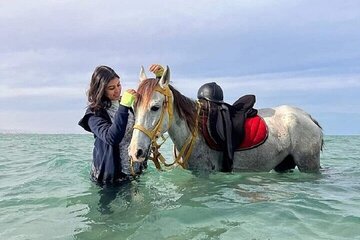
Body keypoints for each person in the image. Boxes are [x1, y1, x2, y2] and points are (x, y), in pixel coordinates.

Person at [79, 64, 164, 185]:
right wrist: (124, 106)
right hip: (110, 181)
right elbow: (112, 138)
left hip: (135, 172)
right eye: (111, 88)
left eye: (118, 84)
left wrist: (159, 78)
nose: (118, 90)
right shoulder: (94, 115)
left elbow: (152, 102)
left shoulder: (126, 103)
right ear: (101, 90)